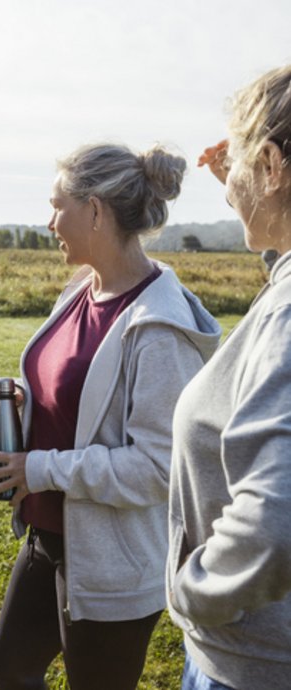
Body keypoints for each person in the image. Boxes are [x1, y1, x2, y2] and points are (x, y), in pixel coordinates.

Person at [0, 144, 221, 689]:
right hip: (51, 534)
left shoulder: (160, 329)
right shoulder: (82, 290)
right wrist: (25, 398)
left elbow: (157, 468)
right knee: (11, 665)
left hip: (112, 559)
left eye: (57, 205)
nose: (49, 222)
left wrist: (38, 469)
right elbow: (77, 387)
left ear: (94, 211)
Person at [169, 64, 291, 690]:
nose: (224, 192)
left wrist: (194, 591)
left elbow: (276, 522)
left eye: (238, 169)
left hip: (256, 666)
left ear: (272, 165)